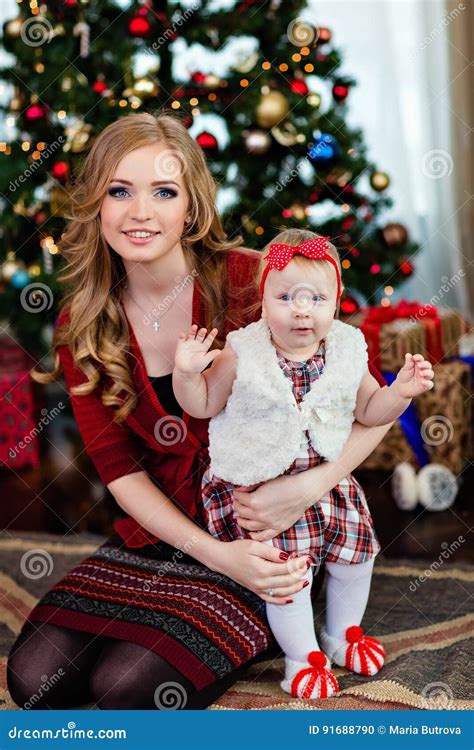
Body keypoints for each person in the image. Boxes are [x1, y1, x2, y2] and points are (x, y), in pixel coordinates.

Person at [8, 112, 394, 711]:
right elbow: (120, 472)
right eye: (119, 191)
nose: (140, 212)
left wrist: (308, 488)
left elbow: (370, 405)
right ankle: (226, 595)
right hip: (168, 534)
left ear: (191, 207)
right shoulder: (81, 324)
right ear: (97, 206)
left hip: (270, 531)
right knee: (35, 681)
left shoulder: (251, 280)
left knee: (127, 687)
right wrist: (216, 556)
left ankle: (291, 615)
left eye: (163, 191)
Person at [172, 229, 434, 700]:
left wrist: (400, 393)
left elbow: (370, 412)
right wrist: (187, 373)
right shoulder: (243, 349)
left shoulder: (348, 349)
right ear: (263, 299)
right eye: (286, 296)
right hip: (262, 487)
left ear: (336, 301)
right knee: (288, 577)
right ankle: (302, 658)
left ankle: (342, 632)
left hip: (328, 487)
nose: (301, 308)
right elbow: (204, 404)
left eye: (316, 297)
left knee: (357, 558)